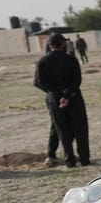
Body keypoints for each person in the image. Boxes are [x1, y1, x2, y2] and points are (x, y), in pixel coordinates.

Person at [33, 33, 90, 167]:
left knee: (62, 130)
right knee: (80, 129)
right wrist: (67, 95)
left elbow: (40, 82)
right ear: (63, 44)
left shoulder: (42, 61)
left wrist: (56, 94)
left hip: (54, 100)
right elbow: (76, 80)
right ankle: (84, 159)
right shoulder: (71, 59)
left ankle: (69, 160)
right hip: (74, 98)